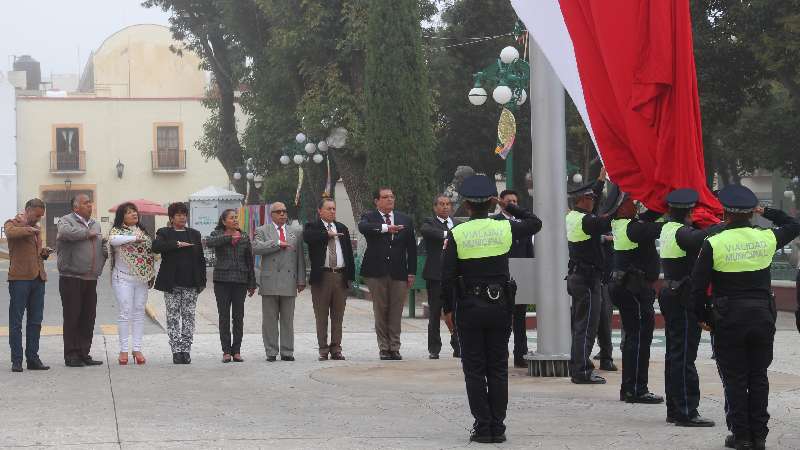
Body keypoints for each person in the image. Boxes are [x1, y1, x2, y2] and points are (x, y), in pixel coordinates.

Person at [691, 185, 800, 450]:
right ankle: (759, 435)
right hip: (762, 316)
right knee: (758, 376)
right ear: (752, 213)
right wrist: (768, 211)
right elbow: (794, 225)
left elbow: (696, 287)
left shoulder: (714, 242)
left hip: (728, 319)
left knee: (735, 378)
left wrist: (702, 316)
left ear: (725, 212)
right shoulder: (767, 238)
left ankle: (741, 436)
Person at [441, 175, 542, 444]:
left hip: (469, 308)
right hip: (500, 307)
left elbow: (447, 276)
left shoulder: (457, 233)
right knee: (497, 368)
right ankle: (498, 426)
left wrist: (448, 310)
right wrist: (507, 206)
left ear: (466, 206)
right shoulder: (504, 227)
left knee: (474, 369)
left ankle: (482, 425)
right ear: (491, 202)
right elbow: (535, 223)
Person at [656, 189, 715, 427]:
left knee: (675, 354)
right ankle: (686, 411)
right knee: (684, 356)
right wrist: (722, 225)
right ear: (690, 212)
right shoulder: (682, 232)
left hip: (672, 293)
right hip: (682, 297)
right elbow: (700, 238)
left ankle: (674, 408)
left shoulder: (668, 228)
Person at [608, 194, 665, 403]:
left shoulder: (625, 224)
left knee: (635, 337)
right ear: (621, 208)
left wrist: (664, 200)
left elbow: (650, 216)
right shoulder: (632, 228)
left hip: (629, 287)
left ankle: (630, 387)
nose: (636, 205)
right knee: (640, 338)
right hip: (635, 289)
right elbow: (662, 228)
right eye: (631, 202)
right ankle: (636, 389)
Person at [565, 169, 612, 384]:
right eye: (591, 198)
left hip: (579, 277)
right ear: (583, 200)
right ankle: (582, 370)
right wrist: (618, 199)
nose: (594, 201)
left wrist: (601, 181)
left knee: (580, 326)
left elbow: (597, 202)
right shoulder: (585, 221)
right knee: (587, 327)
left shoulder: (576, 216)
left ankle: (578, 365)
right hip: (587, 279)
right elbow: (607, 218)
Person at [358, 187, 417, 360]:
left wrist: (411, 272)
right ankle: (384, 347)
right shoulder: (369, 217)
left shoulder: (405, 219)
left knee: (396, 310)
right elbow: (363, 228)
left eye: (392, 196)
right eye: (385, 197)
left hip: (399, 272)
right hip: (376, 272)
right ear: (377, 201)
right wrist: (386, 228)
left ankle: (395, 346)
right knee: (381, 309)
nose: (390, 200)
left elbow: (411, 248)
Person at [57, 194, 108, 367]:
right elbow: (64, 233)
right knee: (72, 316)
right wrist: (87, 233)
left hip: (91, 277)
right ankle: (71, 355)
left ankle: (83, 353)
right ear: (76, 207)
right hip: (71, 277)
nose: (90, 205)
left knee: (88, 317)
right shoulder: (66, 220)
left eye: (90, 202)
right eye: (86, 203)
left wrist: (104, 250)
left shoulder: (96, 223)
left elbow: (99, 242)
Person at [153, 202, 206, 365]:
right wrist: (176, 244)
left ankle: (186, 350)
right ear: (171, 217)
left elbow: (201, 259)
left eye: (184, 214)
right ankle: (176, 350)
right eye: (178, 214)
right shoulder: (164, 232)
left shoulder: (194, 234)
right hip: (172, 283)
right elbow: (156, 247)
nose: (182, 217)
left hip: (191, 283)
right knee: (173, 317)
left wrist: (202, 281)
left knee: (189, 317)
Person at [252, 202, 305, 362]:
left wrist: (301, 279)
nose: (282, 214)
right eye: (279, 211)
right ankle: (271, 351)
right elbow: (256, 248)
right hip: (269, 280)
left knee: (288, 319)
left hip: (289, 280)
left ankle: (287, 351)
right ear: (271, 214)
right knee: (269, 319)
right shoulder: (262, 230)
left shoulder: (295, 232)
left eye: (285, 211)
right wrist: (276, 244)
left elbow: (300, 257)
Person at [303, 198, 355, 361]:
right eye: (329, 209)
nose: (332, 211)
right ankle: (323, 349)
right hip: (322, 277)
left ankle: (336, 348)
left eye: (334, 208)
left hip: (340, 276)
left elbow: (349, 255)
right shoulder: (313, 227)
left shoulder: (342, 228)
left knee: (338, 316)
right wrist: (327, 234)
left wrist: (350, 277)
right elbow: (308, 238)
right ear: (320, 211)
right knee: (322, 315)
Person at [5, 199, 52, 372]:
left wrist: (44, 253)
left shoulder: (37, 229)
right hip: (19, 279)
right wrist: (30, 229)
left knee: (35, 321)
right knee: (16, 321)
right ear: (28, 210)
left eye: (41, 216)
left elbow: (36, 252)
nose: (39, 219)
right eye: (37, 215)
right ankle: (16, 360)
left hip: (38, 278)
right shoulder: (12, 223)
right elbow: (10, 234)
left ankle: (33, 358)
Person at [205, 209, 257, 363]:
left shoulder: (245, 236)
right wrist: (229, 236)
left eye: (236, 217)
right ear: (223, 221)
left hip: (240, 280)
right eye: (231, 218)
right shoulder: (217, 234)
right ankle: (226, 351)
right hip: (222, 281)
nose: (235, 220)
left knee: (238, 317)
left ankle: (237, 351)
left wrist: (252, 283)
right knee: (224, 317)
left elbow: (249, 261)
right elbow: (210, 243)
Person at [108, 202, 155, 365]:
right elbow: (113, 240)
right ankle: (123, 350)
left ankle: (137, 349)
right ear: (122, 216)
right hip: (122, 278)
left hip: (140, 279)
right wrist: (135, 238)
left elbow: (149, 255)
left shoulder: (144, 232)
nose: (133, 214)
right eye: (129, 212)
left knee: (139, 312)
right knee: (125, 312)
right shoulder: (117, 231)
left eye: (134, 211)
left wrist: (150, 272)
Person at [492, 189, 534, 368]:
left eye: (516, 201)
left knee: (520, 318)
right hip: (501, 275)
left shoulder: (523, 224)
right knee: (501, 318)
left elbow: (529, 252)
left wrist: (530, 273)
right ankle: (499, 355)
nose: (513, 204)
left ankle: (521, 355)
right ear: (501, 202)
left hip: (521, 274)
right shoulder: (494, 223)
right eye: (509, 201)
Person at [420, 194, 462, 359]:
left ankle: (458, 345)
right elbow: (430, 233)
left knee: (455, 313)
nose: (445, 207)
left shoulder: (458, 223)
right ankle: (434, 348)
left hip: (454, 275)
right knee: (435, 313)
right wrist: (451, 235)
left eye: (448, 204)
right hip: (436, 276)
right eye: (442, 204)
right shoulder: (429, 223)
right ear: (435, 207)